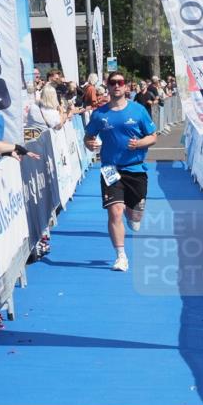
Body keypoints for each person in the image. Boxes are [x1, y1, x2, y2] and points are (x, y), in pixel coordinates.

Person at [83, 73, 157, 272]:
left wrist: (140, 143)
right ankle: (121, 256)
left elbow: (153, 136)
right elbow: (88, 137)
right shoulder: (100, 114)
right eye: (112, 83)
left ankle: (133, 213)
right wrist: (89, 144)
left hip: (135, 168)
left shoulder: (138, 110)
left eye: (120, 83)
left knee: (135, 217)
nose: (116, 86)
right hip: (110, 168)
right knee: (115, 211)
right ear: (107, 86)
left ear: (126, 87)